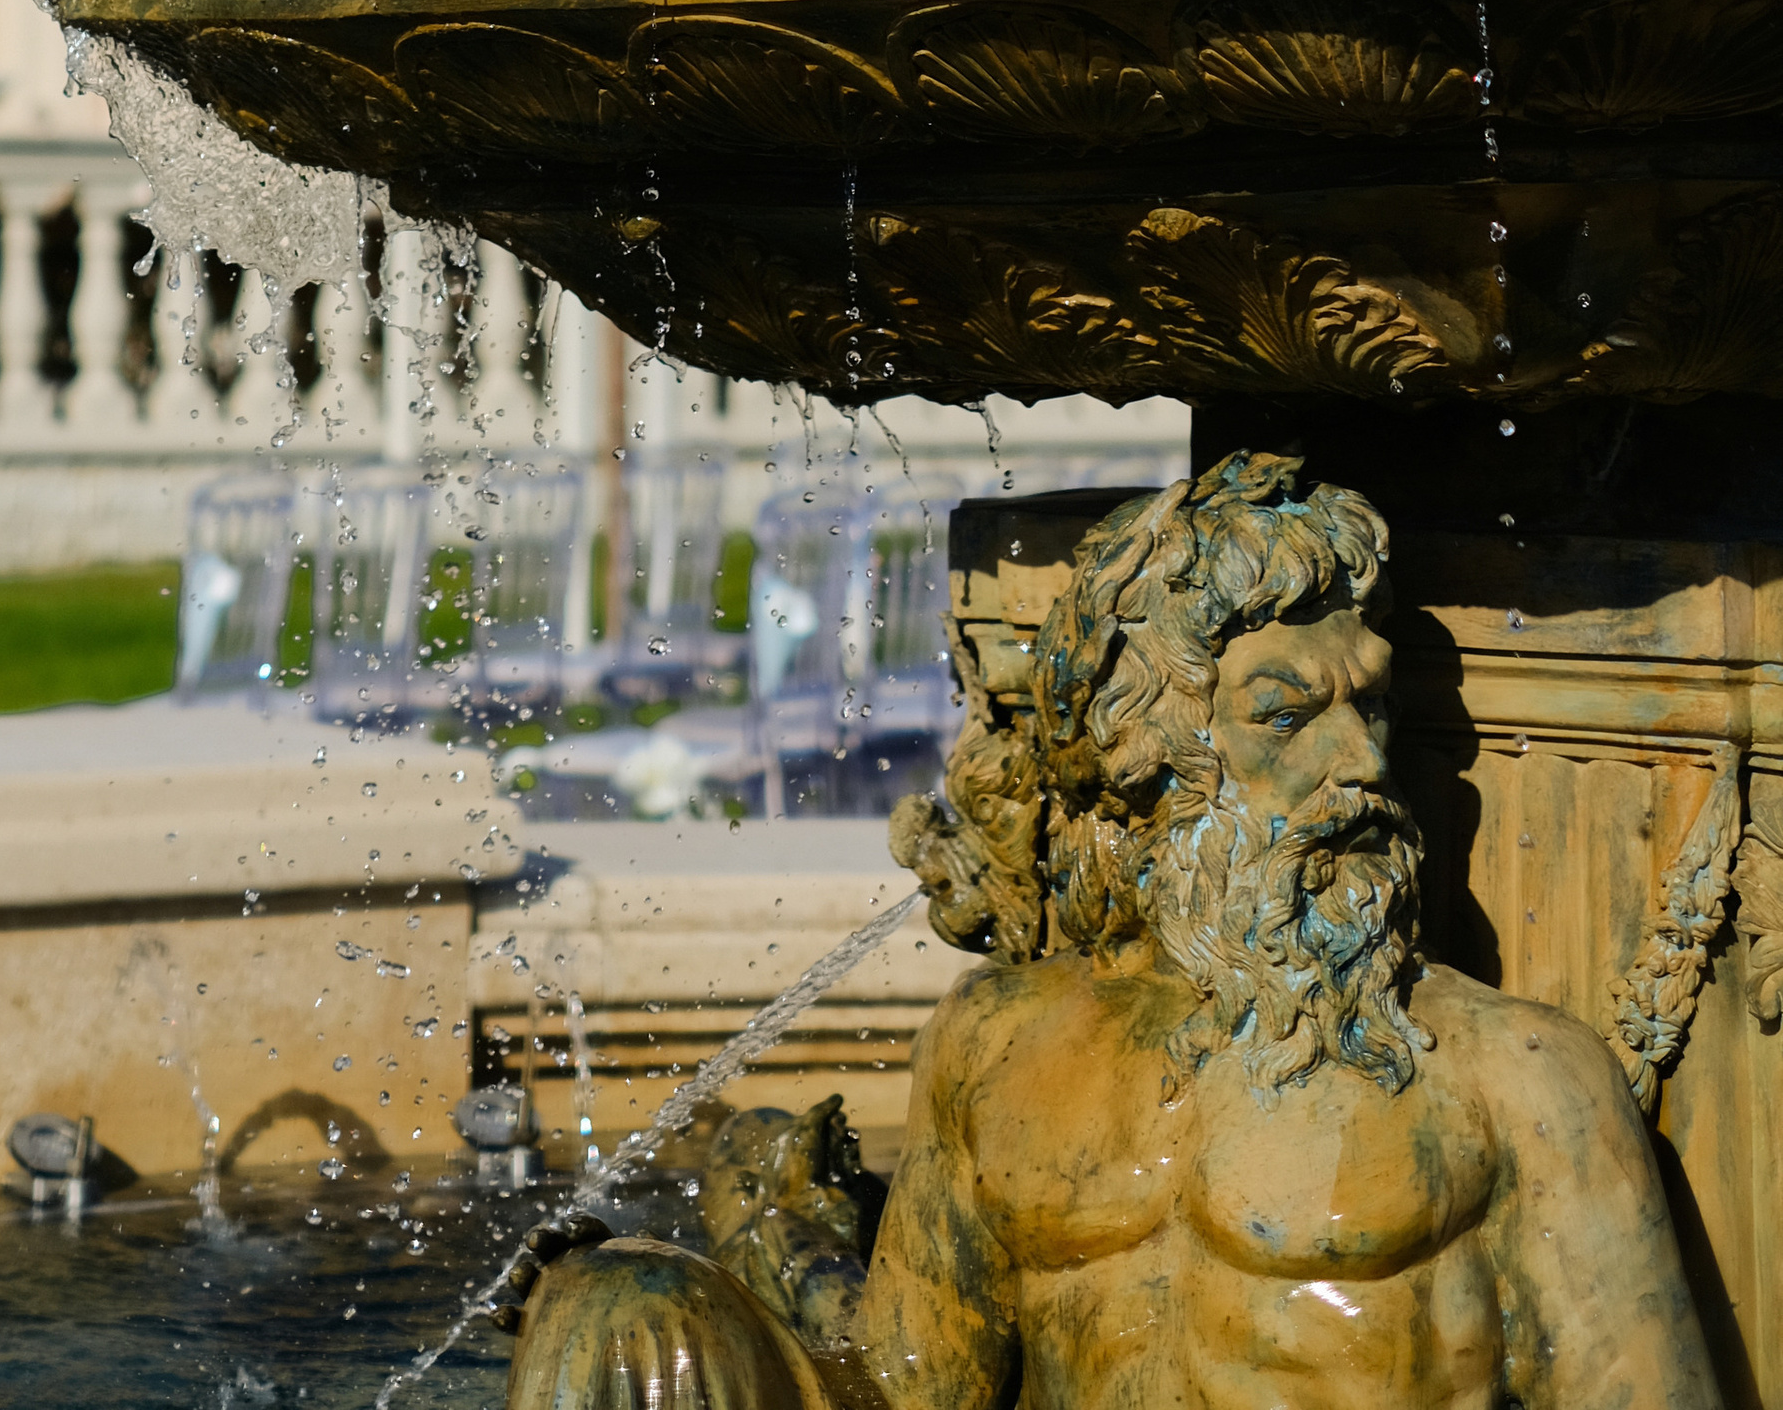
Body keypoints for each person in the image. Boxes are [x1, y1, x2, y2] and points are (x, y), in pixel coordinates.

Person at [504, 452, 1716, 1410]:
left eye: (1371, 704)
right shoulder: (998, 1046)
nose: (1362, 765)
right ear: (1148, 752)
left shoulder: (1516, 1079)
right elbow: (907, 1388)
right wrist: (755, 1248)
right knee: (618, 1303)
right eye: (1286, 715)